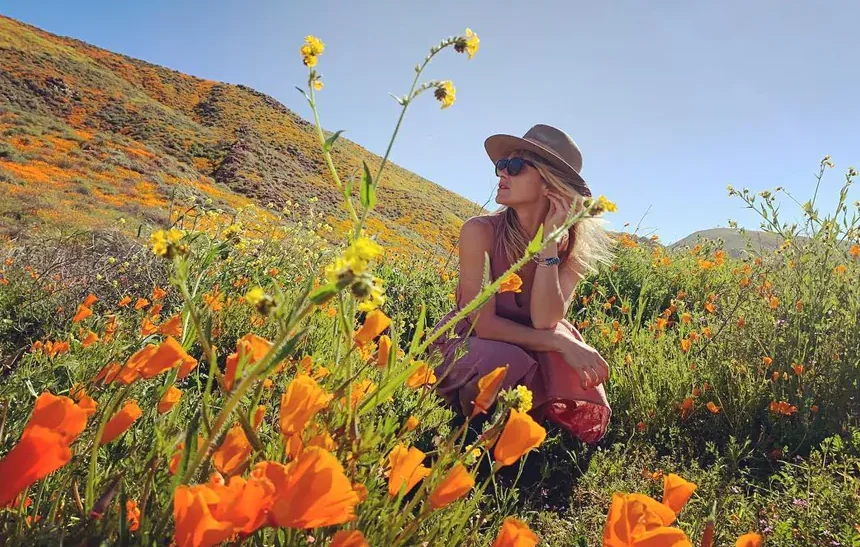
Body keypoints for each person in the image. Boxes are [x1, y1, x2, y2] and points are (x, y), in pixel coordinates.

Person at [429, 124, 615, 444]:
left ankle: (528, 432)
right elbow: (485, 326)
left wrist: (549, 244)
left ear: (549, 185)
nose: (502, 174)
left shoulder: (573, 249)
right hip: (470, 342)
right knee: (513, 357)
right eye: (502, 165)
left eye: (515, 167)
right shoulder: (480, 231)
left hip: (530, 341)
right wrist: (560, 343)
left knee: (559, 340)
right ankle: (471, 429)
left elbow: (545, 320)